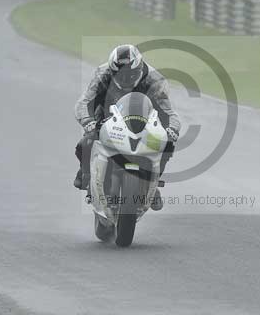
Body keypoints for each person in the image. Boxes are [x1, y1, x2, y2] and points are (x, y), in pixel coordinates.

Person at [74, 44, 181, 209]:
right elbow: (84, 102)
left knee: (167, 144)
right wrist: (88, 122)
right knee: (87, 141)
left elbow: (169, 113)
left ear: (139, 68)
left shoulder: (155, 80)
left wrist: (171, 130)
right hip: (107, 115)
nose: (125, 79)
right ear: (112, 71)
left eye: (130, 74)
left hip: (143, 119)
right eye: (120, 74)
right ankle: (87, 175)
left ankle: (152, 184)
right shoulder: (103, 74)